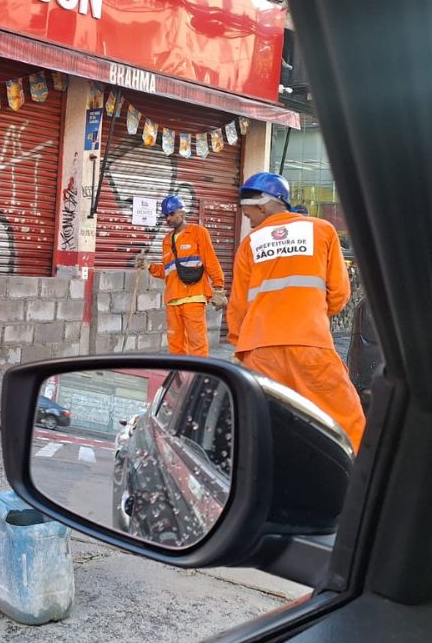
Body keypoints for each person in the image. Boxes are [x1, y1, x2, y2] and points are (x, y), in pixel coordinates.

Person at [227, 172, 366, 450]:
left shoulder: (250, 244)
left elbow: (238, 307)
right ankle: (361, 476)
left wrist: (240, 346)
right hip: (310, 344)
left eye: (247, 212)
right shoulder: (322, 230)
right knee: (346, 424)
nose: (248, 219)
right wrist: (311, 313)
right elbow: (340, 294)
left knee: (269, 427)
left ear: (263, 205)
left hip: (259, 350)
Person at [146, 194, 226, 356]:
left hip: (193, 298)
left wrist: (218, 287)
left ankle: (200, 371)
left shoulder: (198, 232)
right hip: (172, 299)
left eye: (171, 214)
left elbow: (210, 260)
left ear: (182, 213)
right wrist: (149, 266)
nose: (168, 218)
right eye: (165, 215)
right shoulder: (167, 240)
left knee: (197, 343)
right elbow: (168, 271)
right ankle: (179, 371)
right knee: (175, 345)